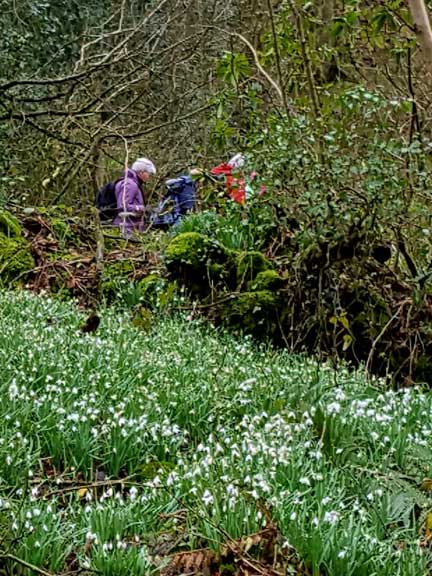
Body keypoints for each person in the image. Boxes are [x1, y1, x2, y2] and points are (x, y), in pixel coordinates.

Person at [114, 157, 156, 236]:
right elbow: (123, 206)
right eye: (148, 173)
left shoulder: (132, 183)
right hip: (127, 228)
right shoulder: (130, 184)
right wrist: (141, 208)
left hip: (131, 226)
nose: (149, 177)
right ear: (141, 172)